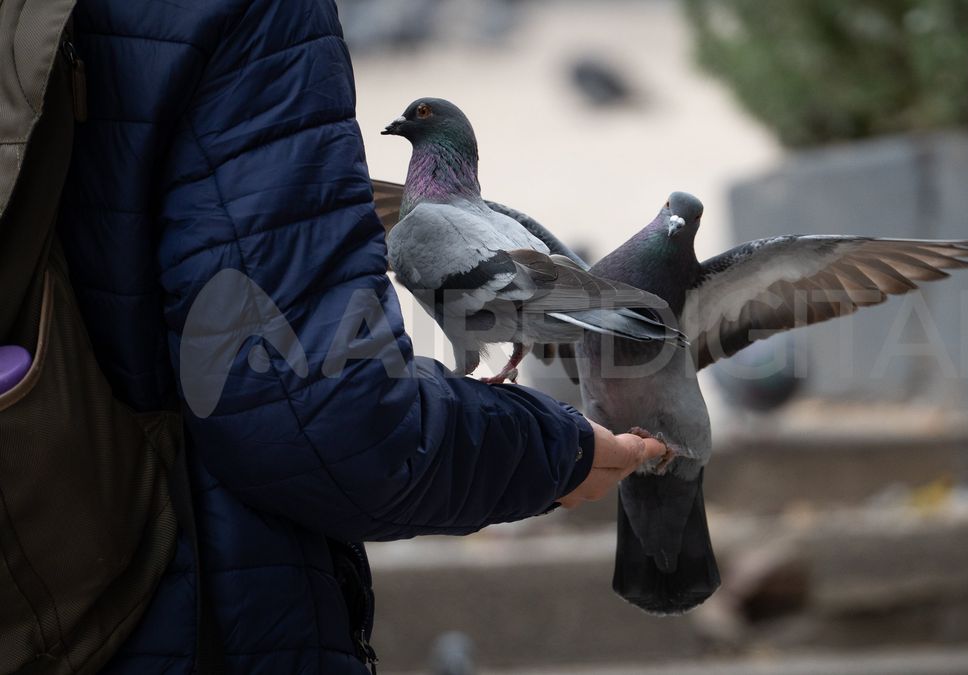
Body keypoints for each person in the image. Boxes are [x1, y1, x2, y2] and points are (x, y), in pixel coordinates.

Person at [59, 0, 664, 672]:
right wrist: (552, 451)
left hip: (81, 560)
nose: (404, 124)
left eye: (418, 118)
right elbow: (333, 418)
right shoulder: (264, 23)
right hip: (202, 606)